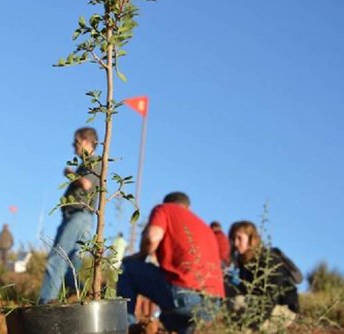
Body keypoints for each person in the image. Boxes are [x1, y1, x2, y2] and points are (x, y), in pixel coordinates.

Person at [117, 192, 225, 334]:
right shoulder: (206, 227)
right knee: (171, 319)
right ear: (189, 208)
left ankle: (126, 328)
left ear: (167, 202)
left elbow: (152, 238)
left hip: (183, 294)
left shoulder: (164, 209)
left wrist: (141, 256)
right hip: (213, 305)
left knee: (127, 268)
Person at [39, 127, 102, 304]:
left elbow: (86, 184)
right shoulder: (86, 164)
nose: (73, 146)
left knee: (57, 258)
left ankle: (46, 303)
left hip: (80, 216)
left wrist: (69, 173)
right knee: (71, 266)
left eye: (76, 142)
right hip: (77, 216)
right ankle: (82, 299)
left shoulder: (95, 162)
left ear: (86, 142)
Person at [229, 221, 300, 330]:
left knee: (238, 302)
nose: (235, 243)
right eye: (233, 239)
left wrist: (251, 327)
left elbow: (270, 299)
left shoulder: (268, 261)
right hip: (259, 307)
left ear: (251, 239)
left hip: (284, 310)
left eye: (239, 238)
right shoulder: (244, 262)